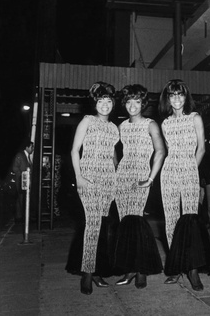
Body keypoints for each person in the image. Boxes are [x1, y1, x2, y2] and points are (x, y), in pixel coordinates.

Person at [159, 79, 210, 291]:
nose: (176, 99)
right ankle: (176, 267)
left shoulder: (195, 118)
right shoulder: (165, 123)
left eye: (180, 94)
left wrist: (190, 169)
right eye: (172, 95)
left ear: (186, 97)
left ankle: (192, 269)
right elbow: (166, 151)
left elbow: (201, 148)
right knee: (171, 220)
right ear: (167, 98)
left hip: (190, 170)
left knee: (190, 220)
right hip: (169, 172)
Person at [114, 84, 165, 289]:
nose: (132, 105)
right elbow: (112, 149)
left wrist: (151, 179)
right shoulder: (121, 126)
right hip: (122, 178)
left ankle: (142, 269)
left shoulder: (151, 124)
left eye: (137, 101)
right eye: (128, 101)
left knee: (136, 222)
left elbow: (160, 152)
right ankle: (130, 268)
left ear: (143, 103)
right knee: (124, 224)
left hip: (140, 178)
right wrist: (116, 168)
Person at [70, 81, 119, 295]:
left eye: (108, 101)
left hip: (109, 181)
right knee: (91, 225)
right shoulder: (87, 121)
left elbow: (113, 155)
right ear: (95, 103)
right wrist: (79, 177)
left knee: (102, 228)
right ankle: (87, 275)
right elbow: (74, 151)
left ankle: (97, 270)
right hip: (89, 180)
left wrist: (117, 178)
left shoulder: (114, 128)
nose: (105, 105)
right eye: (100, 101)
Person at [11, 138, 34, 222]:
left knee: (22, 198)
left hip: (26, 181)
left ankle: (20, 216)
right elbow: (15, 168)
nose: (32, 149)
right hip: (21, 181)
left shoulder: (27, 156)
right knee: (22, 198)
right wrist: (23, 175)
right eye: (31, 147)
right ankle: (21, 217)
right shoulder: (20, 155)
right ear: (27, 147)